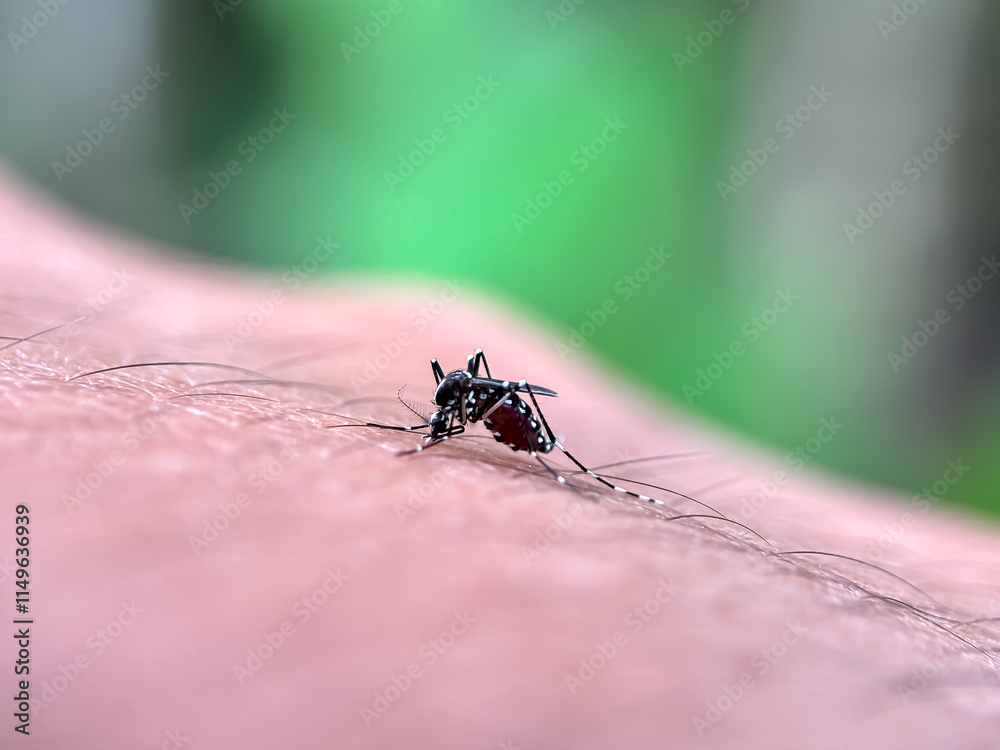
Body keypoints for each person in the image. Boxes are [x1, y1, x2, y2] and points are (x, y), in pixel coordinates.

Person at [2, 167, 998, 749]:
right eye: (452, 404)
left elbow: (491, 392)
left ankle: (564, 469)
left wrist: (515, 444)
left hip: (522, 418)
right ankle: (563, 468)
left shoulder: (482, 398)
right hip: (510, 413)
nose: (454, 401)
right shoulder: (462, 386)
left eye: (452, 404)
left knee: (493, 391)